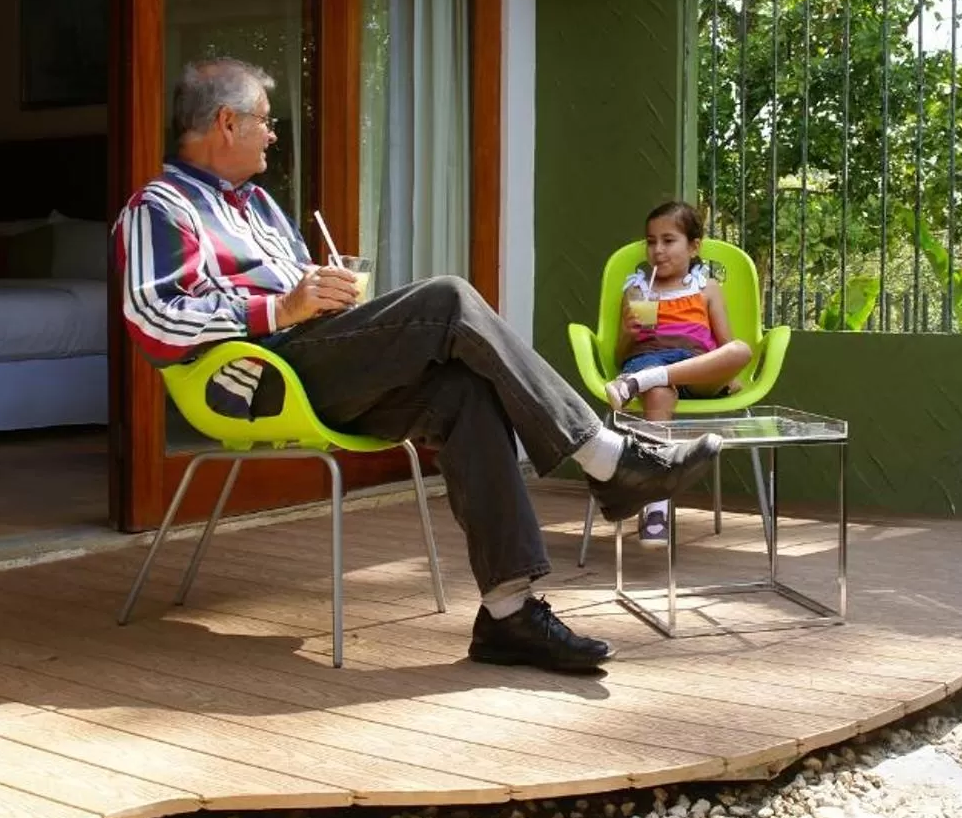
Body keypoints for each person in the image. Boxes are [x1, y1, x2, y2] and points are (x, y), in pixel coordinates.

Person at [115, 57, 721, 673]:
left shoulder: (262, 208)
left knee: (463, 389)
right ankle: (606, 458)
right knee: (450, 298)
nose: (273, 134)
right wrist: (284, 307)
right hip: (261, 378)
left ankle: (508, 613)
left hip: (317, 359)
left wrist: (324, 294)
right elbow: (154, 316)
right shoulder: (160, 208)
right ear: (225, 122)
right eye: (265, 122)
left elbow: (300, 296)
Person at [606, 201, 753, 544]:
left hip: (696, 369)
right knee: (657, 391)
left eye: (668, 240)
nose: (657, 250)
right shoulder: (636, 290)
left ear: (694, 245)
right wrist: (628, 330)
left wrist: (728, 374)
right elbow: (618, 353)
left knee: (742, 350)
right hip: (648, 361)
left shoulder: (707, 289)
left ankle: (640, 384)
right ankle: (656, 507)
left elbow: (726, 346)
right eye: (651, 241)